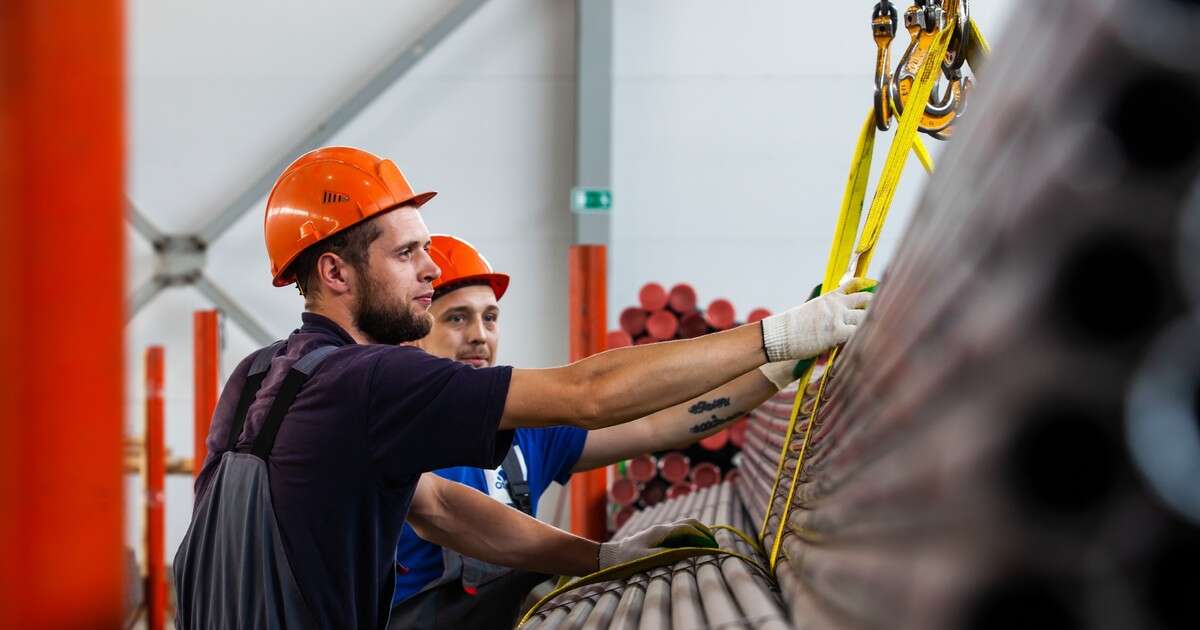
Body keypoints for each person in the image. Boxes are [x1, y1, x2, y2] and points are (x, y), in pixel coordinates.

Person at [172, 146, 873, 629]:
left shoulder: (260, 374)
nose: (428, 269)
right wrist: (780, 336)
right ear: (335, 273)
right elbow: (589, 392)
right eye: (408, 252)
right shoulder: (370, 381)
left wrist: (598, 557)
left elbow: (443, 507)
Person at [387, 235, 808, 629]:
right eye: (457, 318)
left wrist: (777, 371)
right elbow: (444, 509)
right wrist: (601, 556)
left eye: (490, 318)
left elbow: (658, 425)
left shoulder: (525, 431)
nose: (480, 335)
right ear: (411, 337)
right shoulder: (390, 428)